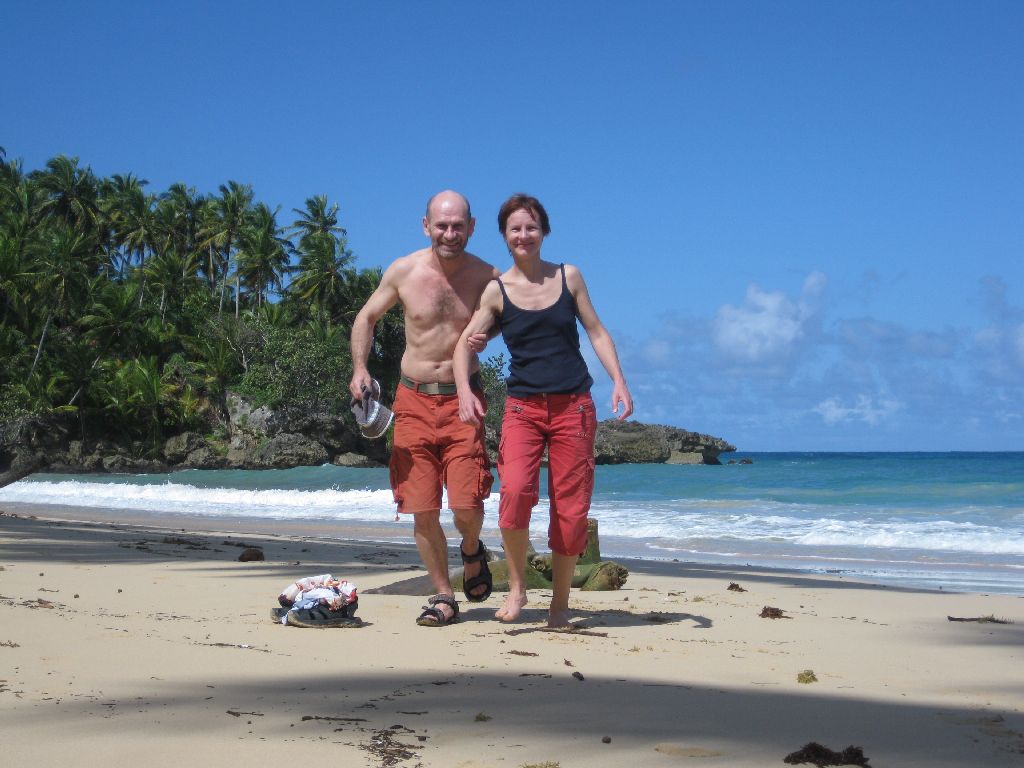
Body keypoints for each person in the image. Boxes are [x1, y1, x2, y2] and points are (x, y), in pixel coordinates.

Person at [453, 193, 633, 628]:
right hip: (523, 409)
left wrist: (619, 380)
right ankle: (517, 588)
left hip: (574, 407)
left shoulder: (569, 276)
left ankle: (559, 605)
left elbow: (596, 331)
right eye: (515, 228)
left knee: (570, 512)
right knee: (514, 493)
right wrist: (464, 391)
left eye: (531, 227)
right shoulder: (497, 292)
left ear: (544, 232)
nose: (524, 235)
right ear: (504, 235)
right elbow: (464, 345)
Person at [349, 190, 499, 627]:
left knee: (467, 504)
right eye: (442, 225)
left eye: (458, 226)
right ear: (426, 226)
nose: (450, 234)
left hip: (463, 399)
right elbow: (366, 317)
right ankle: (443, 595)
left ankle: (471, 548)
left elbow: (518, 323)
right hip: (412, 400)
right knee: (422, 505)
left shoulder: (488, 278)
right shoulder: (404, 271)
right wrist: (360, 368)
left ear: (472, 227)